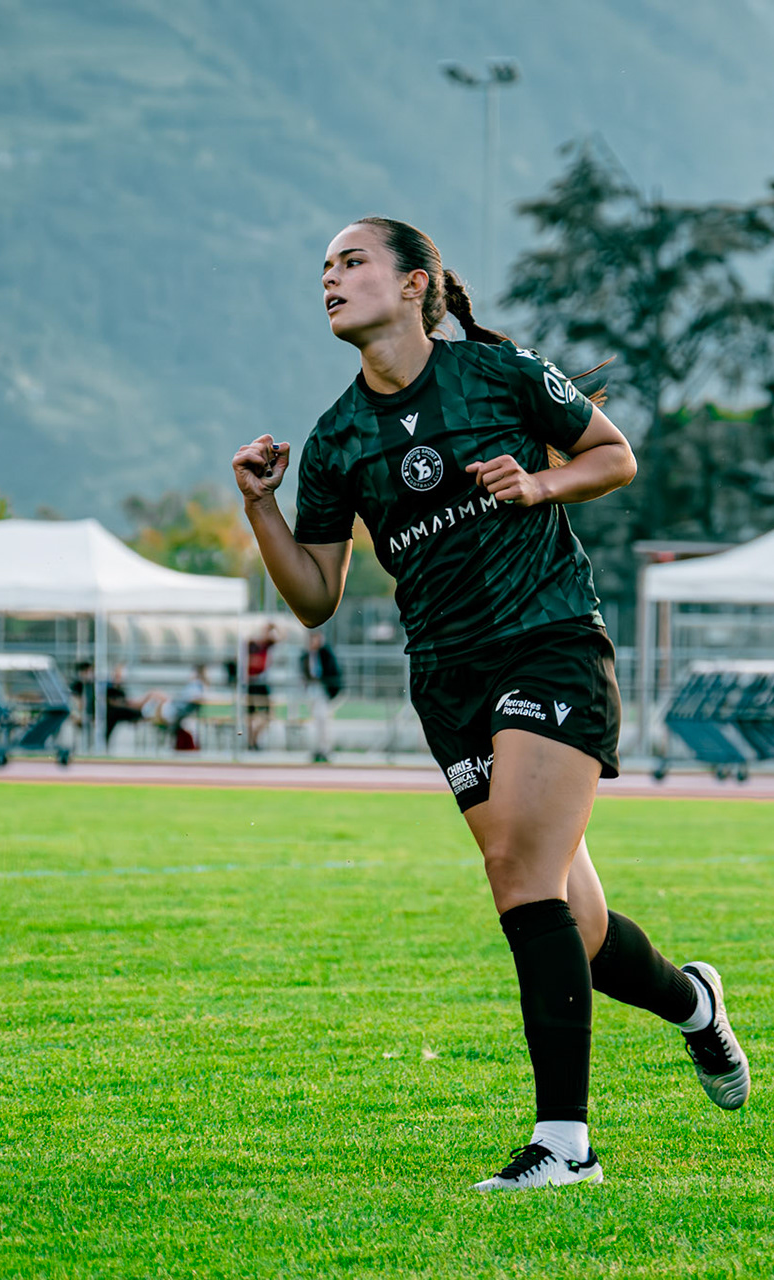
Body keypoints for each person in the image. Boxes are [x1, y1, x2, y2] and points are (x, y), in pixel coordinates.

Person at [232, 216, 747, 1193]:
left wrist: (539, 483)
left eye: (353, 262)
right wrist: (261, 503)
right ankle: (693, 1004)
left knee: (518, 872)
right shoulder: (337, 439)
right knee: (572, 923)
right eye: (325, 268)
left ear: (415, 283)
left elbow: (614, 455)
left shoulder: (499, 375)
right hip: (448, 680)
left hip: (548, 641)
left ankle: (566, 1146)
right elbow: (314, 597)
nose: (331, 279)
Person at [300, 630, 344, 763]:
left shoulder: (326, 654)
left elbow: (333, 672)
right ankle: (319, 748)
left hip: (324, 691)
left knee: (324, 719)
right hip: (312, 691)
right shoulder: (306, 655)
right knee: (316, 721)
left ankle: (325, 749)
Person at [245, 623, 278, 748]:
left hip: (262, 683)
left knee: (267, 715)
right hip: (252, 683)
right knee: (251, 714)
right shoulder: (251, 645)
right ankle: (251, 741)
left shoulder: (267, 645)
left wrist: (273, 628)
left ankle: (254, 738)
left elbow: (280, 637)